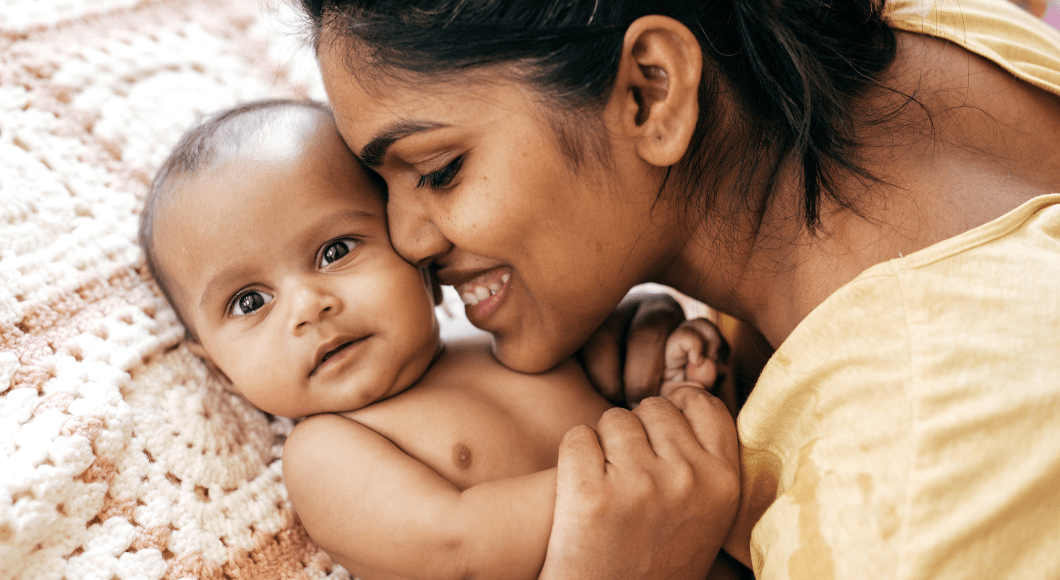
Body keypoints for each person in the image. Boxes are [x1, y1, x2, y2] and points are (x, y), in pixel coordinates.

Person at [298, 0, 1060, 577]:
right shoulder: (920, 29)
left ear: (650, 92)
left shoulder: (911, 486)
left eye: (438, 170)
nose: (406, 240)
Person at [137, 99, 745, 580]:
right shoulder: (329, 450)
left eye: (335, 250)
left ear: (417, 255)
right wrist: (636, 471)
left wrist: (663, 360)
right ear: (216, 367)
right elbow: (459, 547)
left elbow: (623, 369)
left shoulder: (500, 343)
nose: (308, 306)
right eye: (249, 302)